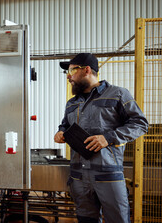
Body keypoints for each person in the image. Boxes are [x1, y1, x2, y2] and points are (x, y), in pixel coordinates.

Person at [54, 53, 149, 223]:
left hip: (108, 175)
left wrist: (109, 137)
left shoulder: (118, 94)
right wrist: (60, 132)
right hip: (79, 176)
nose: (68, 76)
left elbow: (140, 124)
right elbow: (65, 126)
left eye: (71, 71)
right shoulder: (72, 103)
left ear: (86, 70)